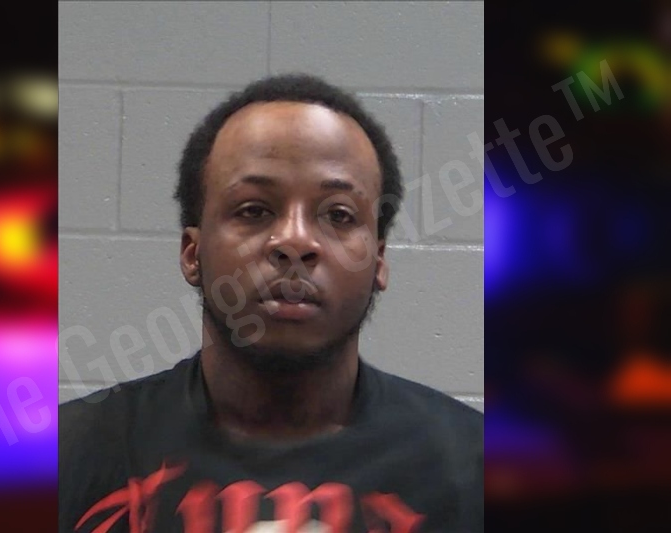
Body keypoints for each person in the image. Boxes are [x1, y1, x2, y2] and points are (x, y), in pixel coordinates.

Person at [59, 74, 483, 533]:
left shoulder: (473, 467)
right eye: (254, 211)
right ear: (192, 253)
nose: (295, 241)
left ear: (378, 260)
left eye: (338, 215)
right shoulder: (68, 457)